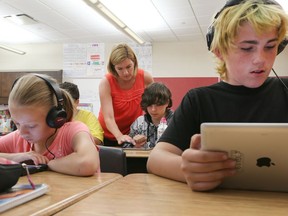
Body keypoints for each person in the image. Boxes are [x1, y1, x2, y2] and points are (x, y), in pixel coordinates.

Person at [147, 0, 288, 191]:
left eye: (270, 46)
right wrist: (186, 169)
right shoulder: (199, 100)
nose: (260, 60)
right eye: (247, 48)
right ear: (219, 50)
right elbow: (156, 158)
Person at [0, 74, 100, 177]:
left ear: (55, 118)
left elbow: (87, 163)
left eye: (31, 126)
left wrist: (48, 164)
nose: (22, 132)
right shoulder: (18, 138)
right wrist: (18, 157)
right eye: (16, 123)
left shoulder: (74, 131)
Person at [98, 43, 154, 147]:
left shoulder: (145, 78)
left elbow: (153, 105)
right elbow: (109, 117)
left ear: (135, 63)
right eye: (120, 69)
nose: (126, 73)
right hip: (108, 134)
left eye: (129, 67)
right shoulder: (106, 83)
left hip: (133, 133)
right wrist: (119, 136)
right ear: (113, 68)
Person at [128, 82, 173, 149]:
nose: (153, 110)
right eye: (149, 105)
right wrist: (136, 145)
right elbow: (126, 147)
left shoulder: (176, 121)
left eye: (158, 105)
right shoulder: (139, 122)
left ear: (167, 102)